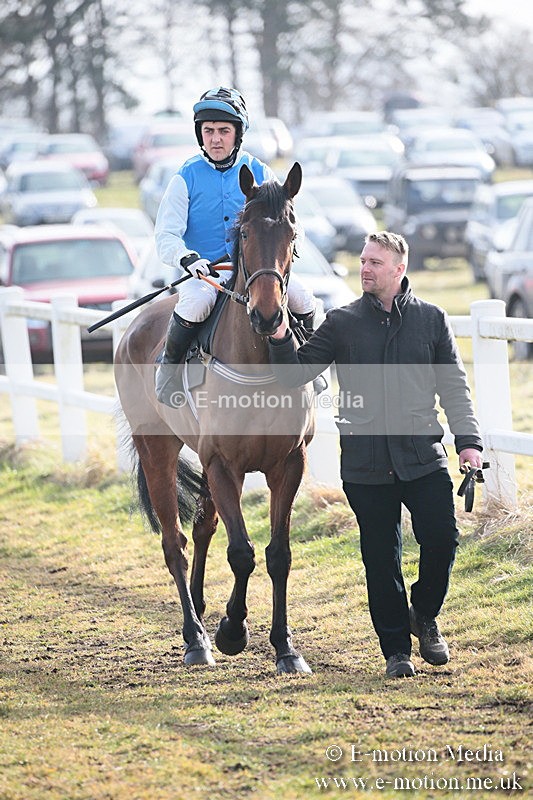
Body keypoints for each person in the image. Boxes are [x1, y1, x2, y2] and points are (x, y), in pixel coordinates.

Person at [268, 231, 484, 678]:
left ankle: (424, 614)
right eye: (363, 261)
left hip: (422, 454)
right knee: (381, 559)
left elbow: (454, 388)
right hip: (365, 463)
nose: (365, 269)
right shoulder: (342, 322)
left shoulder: (431, 319)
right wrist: (280, 335)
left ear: (399, 269)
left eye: (375, 263)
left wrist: (468, 442)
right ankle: (396, 651)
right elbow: (294, 374)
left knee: (442, 538)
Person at [154, 86, 316, 405]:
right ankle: (168, 372)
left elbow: (289, 222)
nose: (215, 139)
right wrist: (188, 259)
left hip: (256, 271)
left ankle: (311, 368)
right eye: (208, 131)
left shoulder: (261, 172)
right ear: (200, 134)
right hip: (206, 274)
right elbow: (166, 236)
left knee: (304, 299)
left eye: (223, 131)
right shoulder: (184, 177)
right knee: (195, 303)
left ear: (237, 134)